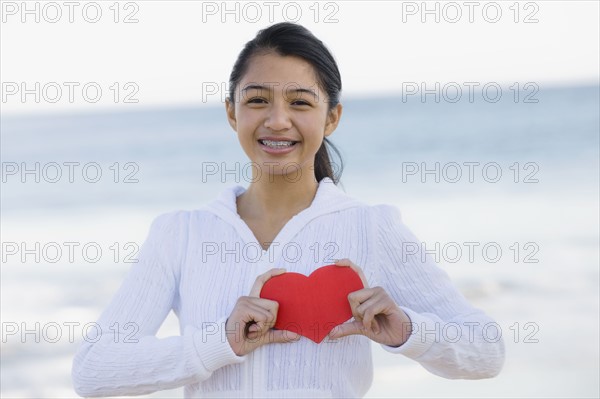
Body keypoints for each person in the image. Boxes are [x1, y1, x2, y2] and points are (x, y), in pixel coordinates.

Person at [72, 22, 505, 398]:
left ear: (331, 117)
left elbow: (486, 351)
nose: (278, 120)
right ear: (231, 112)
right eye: (257, 100)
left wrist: (407, 330)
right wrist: (219, 341)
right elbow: (93, 370)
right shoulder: (181, 233)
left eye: (300, 102)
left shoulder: (371, 227)